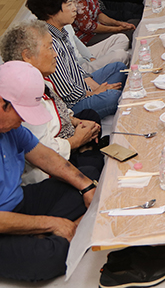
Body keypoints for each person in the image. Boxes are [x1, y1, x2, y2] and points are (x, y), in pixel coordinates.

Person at [0, 61, 113, 283]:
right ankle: (57, 234)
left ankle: (46, 235)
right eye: (21, 113)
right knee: (47, 257)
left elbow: (45, 157)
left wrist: (86, 186)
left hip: (19, 204)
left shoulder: (10, 128)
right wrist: (51, 223)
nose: (22, 120)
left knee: (89, 181)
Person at [0, 21, 104, 178]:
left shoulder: (44, 80)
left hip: (64, 141)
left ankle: (88, 154)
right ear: (27, 56)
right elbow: (42, 149)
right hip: (49, 164)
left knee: (90, 116)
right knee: (92, 168)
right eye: (49, 48)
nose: (55, 53)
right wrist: (76, 141)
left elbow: (62, 111)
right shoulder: (22, 98)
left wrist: (76, 122)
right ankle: (88, 156)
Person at [25, 0, 127, 118]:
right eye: (69, 4)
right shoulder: (48, 40)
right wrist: (95, 93)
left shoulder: (61, 29)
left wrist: (97, 87)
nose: (75, 9)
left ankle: (107, 97)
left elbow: (76, 69)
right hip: (74, 104)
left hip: (81, 87)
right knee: (115, 96)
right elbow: (65, 92)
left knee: (119, 67)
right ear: (50, 11)